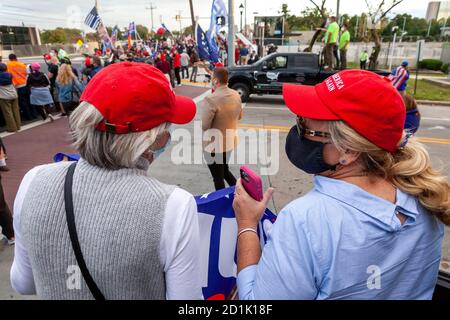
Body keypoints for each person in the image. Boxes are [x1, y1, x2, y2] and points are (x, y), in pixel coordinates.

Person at [233, 69, 449, 300]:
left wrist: (246, 224)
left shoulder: (306, 220)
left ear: (348, 150)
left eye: (304, 124)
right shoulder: (427, 196)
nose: (298, 128)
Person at [10, 62, 202, 300]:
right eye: (165, 130)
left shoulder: (33, 180)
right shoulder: (174, 206)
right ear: (150, 140)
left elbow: (23, 283)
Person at [202, 67, 243, 191]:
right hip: (230, 141)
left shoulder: (211, 99)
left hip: (214, 145)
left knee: (218, 177)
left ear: (215, 80)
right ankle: (240, 191)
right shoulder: (236, 94)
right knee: (224, 171)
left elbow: (205, 126)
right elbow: (240, 116)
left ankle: (222, 202)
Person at [7, 54, 36, 121]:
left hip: (17, 86)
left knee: (23, 102)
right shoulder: (22, 65)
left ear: (9, 59)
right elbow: (27, 74)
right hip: (25, 84)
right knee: (29, 100)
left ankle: (28, 117)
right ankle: (34, 114)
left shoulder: (8, 65)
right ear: (16, 58)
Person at [0, 63, 21, 132]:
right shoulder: (10, 74)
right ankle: (18, 126)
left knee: (8, 113)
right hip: (14, 94)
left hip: (4, 96)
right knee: (16, 110)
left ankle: (12, 128)